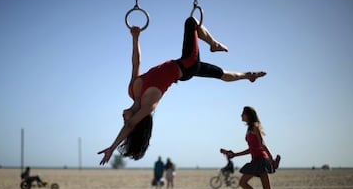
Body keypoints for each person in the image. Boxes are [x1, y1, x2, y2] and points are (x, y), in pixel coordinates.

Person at [98, 17, 266, 165]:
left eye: (124, 120)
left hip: (184, 67)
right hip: (187, 64)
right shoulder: (148, 106)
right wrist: (112, 148)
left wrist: (135, 38)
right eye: (126, 121)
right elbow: (129, 125)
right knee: (191, 22)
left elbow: (136, 63)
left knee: (222, 74)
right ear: (135, 122)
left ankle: (247, 76)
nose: (123, 118)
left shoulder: (132, 91)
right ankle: (213, 44)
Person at [224, 106, 284, 189]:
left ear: (248, 115)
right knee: (248, 184)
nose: (241, 116)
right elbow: (251, 149)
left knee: (265, 188)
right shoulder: (249, 129)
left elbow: (262, 145)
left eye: (243, 113)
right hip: (256, 160)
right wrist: (235, 154)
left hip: (261, 160)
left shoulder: (255, 127)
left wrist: (271, 159)